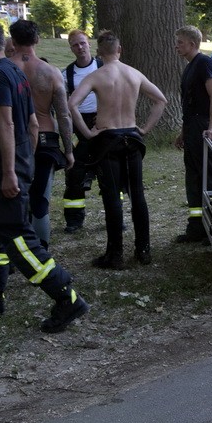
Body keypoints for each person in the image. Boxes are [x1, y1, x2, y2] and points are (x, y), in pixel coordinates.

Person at [0, 21, 89, 333]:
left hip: (5, 170)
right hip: (8, 165)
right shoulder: (17, 72)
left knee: (17, 237)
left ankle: (66, 297)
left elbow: (7, 124)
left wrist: (10, 172)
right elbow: (33, 123)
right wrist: (25, 161)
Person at [69, 30, 167, 267]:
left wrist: (88, 132)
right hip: (132, 138)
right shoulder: (134, 74)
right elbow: (161, 100)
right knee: (138, 195)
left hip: (108, 139)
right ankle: (143, 250)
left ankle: (115, 255)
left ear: (100, 53)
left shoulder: (96, 76)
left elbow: (72, 103)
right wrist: (144, 129)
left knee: (113, 197)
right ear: (119, 50)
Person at [8, 20, 74, 247]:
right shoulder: (52, 72)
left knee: (15, 198)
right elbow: (64, 116)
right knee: (40, 200)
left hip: (13, 141)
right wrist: (69, 150)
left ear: (13, 41)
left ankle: (19, 250)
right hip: (46, 141)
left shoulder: (3, 70)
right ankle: (41, 251)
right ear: (37, 40)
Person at [173, 25, 212, 243]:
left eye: (180, 42)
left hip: (204, 127)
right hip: (191, 127)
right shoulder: (189, 66)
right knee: (192, 177)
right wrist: (183, 132)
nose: (177, 46)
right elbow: (188, 104)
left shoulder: (204, 63)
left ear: (192, 44)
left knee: (208, 177)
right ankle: (196, 228)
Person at [61, 29, 104, 233]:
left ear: (89, 44)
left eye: (83, 43)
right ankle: (74, 220)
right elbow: (66, 108)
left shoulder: (103, 66)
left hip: (104, 122)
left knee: (110, 172)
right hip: (79, 125)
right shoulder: (66, 74)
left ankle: (116, 214)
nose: (80, 47)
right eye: (75, 45)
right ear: (70, 48)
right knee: (74, 172)